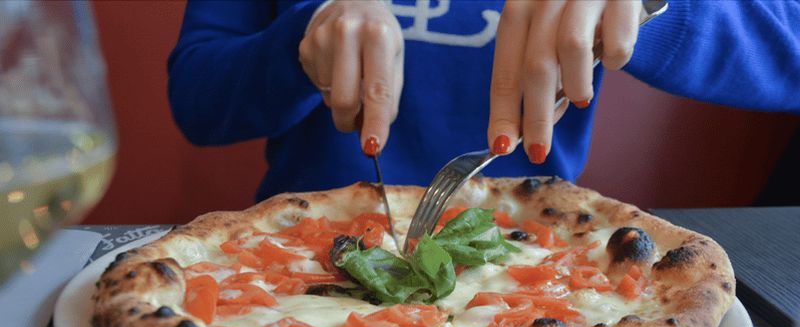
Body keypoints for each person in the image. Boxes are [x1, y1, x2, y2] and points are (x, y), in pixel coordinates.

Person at [168, 0, 800, 203]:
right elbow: (195, 97)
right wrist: (304, 37)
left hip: (540, 269)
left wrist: (649, 8)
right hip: (294, 261)